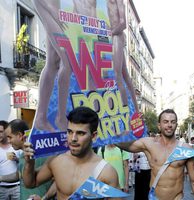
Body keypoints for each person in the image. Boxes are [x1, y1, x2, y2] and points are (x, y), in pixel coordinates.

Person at [23, 106, 121, 200]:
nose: (73, 138)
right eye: (70, 132)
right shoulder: (57, 160)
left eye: (80, 133)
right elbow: (31, 183)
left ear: (94, 136)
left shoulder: (106, 172)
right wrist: (29, 163)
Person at [32, 0, 97, 132]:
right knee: (67, 60)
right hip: (47, 6)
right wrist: (54, 10)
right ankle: (60, 118)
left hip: (55, 10)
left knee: (53, 62)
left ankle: (41, 118)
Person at [116, 109, 194, 199]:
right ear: (159, 126)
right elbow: (120, 143)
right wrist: (130, 127)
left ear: (176, 125)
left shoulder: (186, 149)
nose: (169, 125)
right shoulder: (149, 144)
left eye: (173, 122)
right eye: (165, 122)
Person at [5, 119, 56, 200]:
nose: (8, 141)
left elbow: (57, 180)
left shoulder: (41, 153)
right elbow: (19, 175)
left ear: (20, 135)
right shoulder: (22, 155)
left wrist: (44, 198)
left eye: (9, 137)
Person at [106, 0, 139, 112]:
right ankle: (136, 110)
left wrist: (111, 32)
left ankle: (125, 113)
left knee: (117, 74)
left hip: (116, 36)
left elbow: (123, 23)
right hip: (115, 36)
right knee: (124, 74)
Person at [0, 120, 21, 200]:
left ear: (7, 132)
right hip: (2, 188)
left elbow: (25, 163)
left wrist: (17, 159)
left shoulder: (16, 146)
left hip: (17, 187)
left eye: (1, 132)